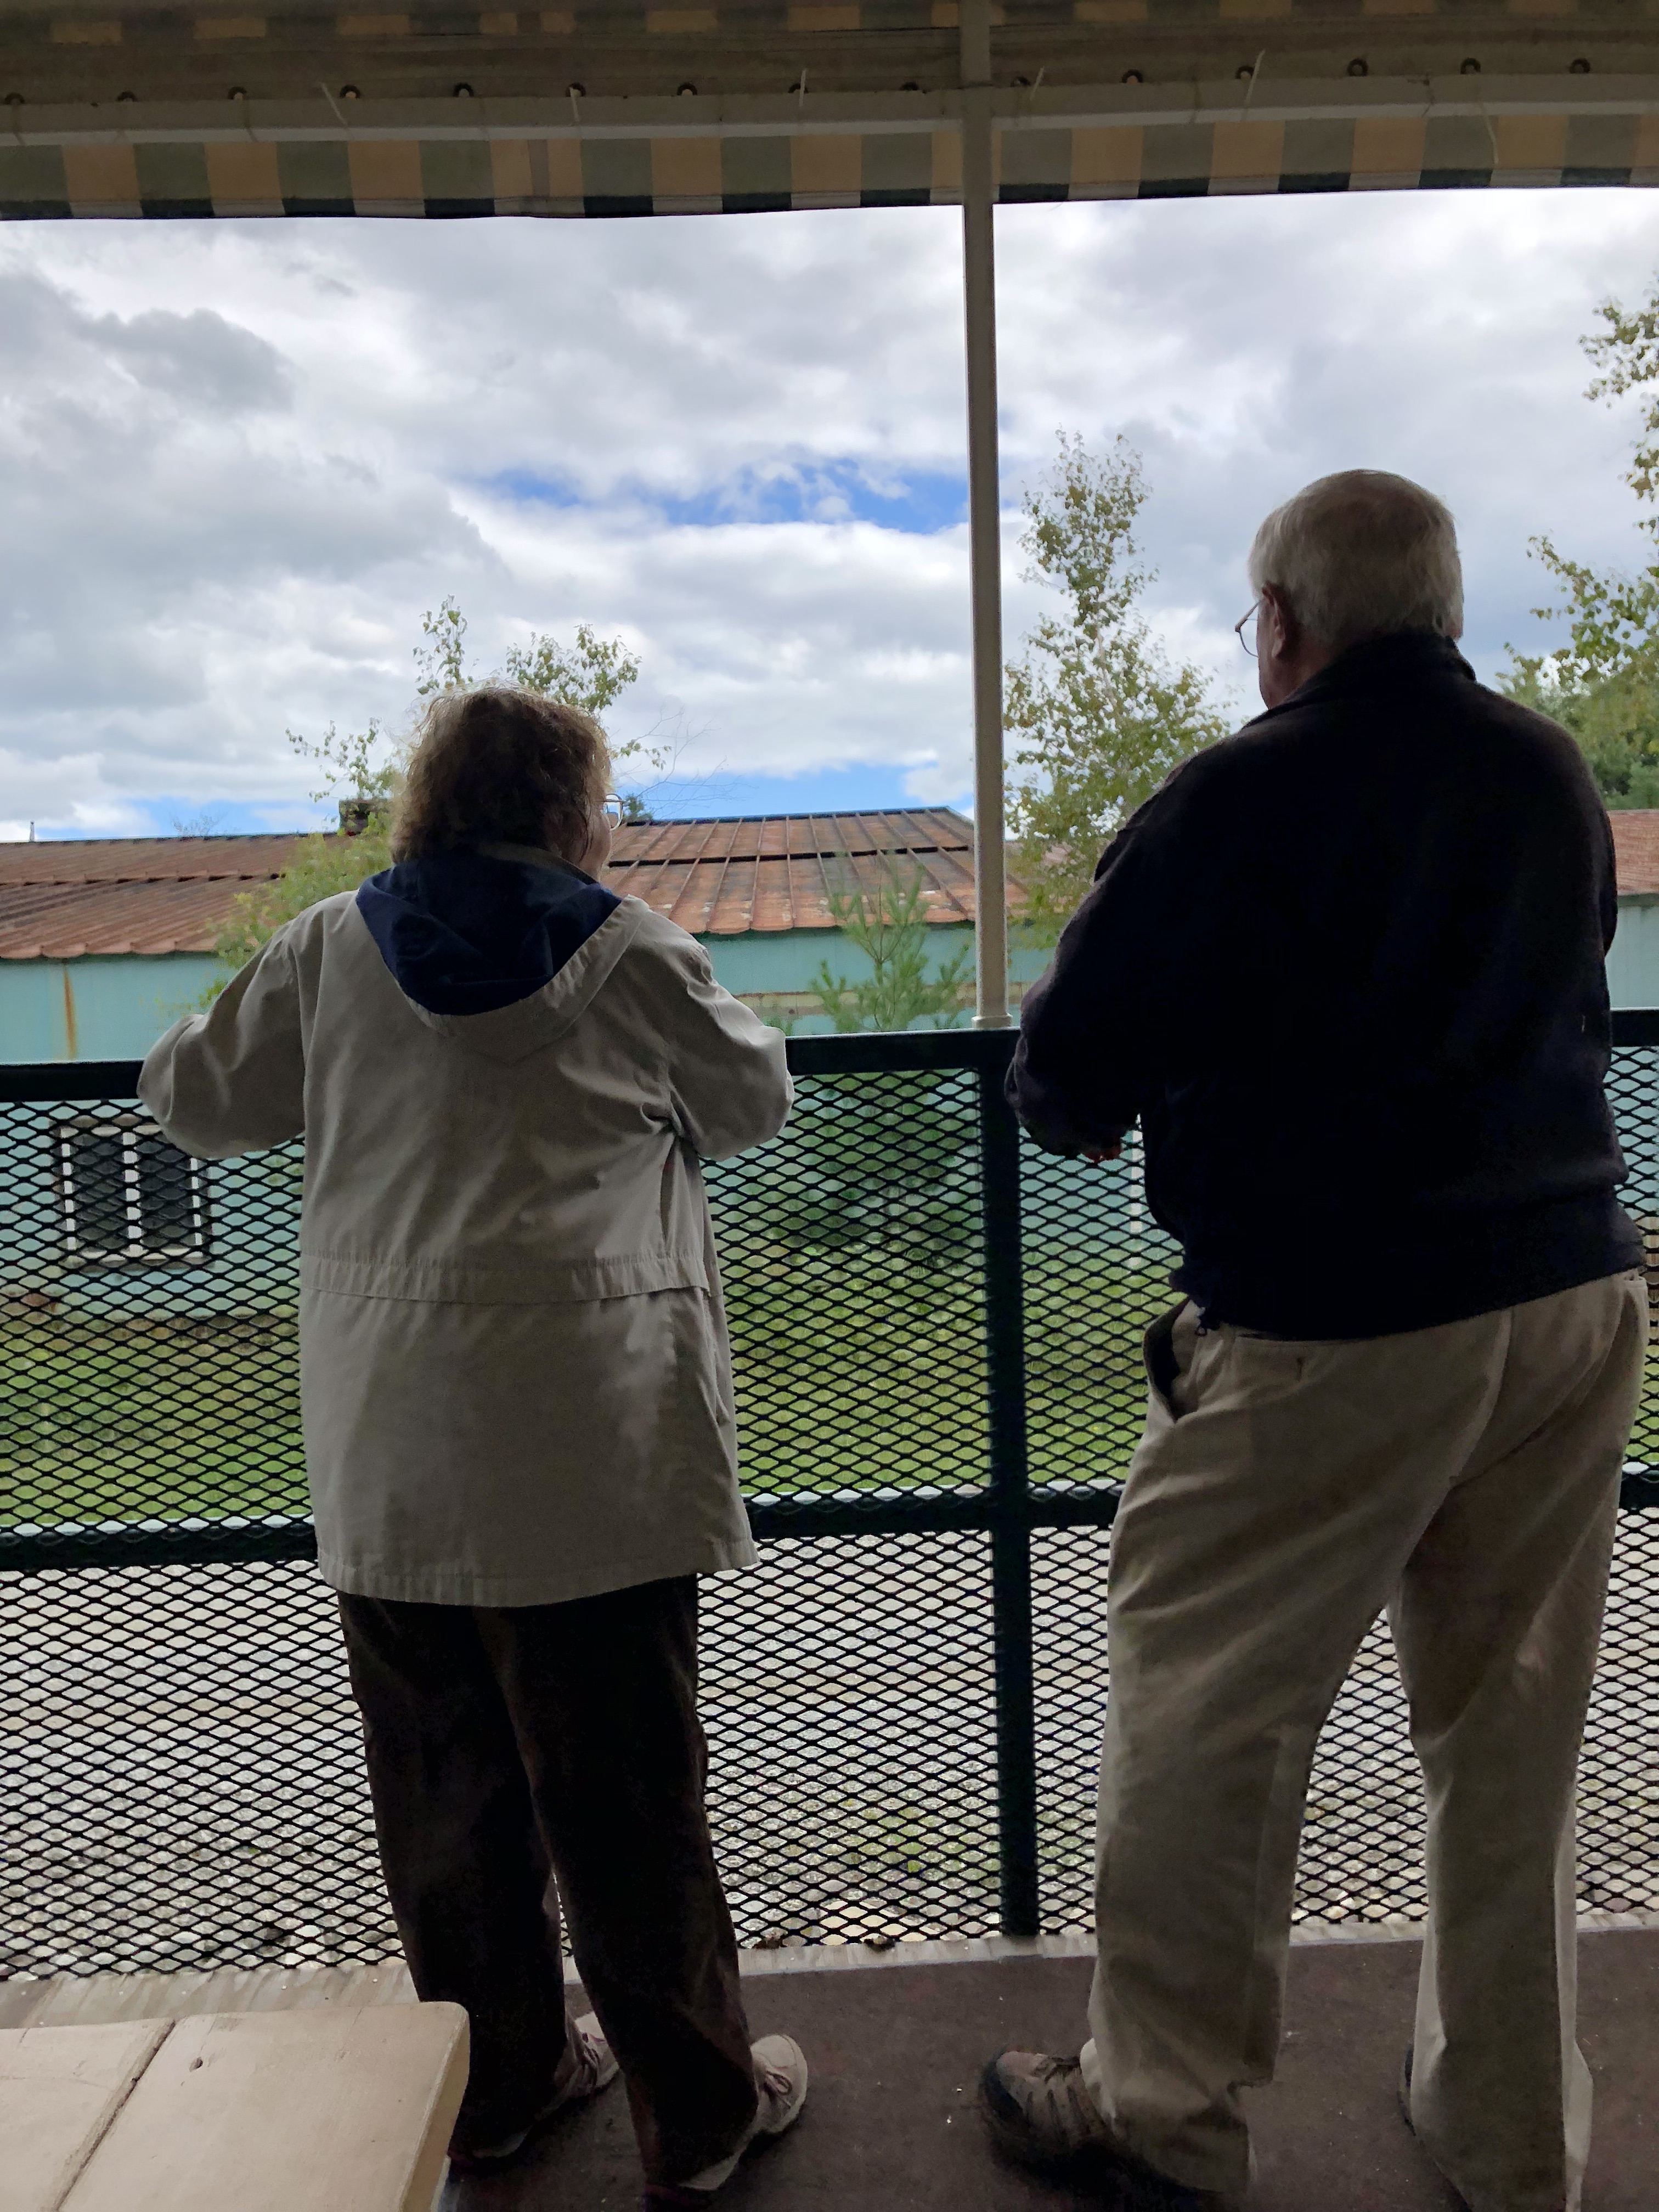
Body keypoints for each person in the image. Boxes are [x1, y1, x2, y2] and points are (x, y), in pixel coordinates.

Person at [982, 471, 1647, 2212]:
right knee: (1512, 1734)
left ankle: (1159, 2111)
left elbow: (1067, 1076)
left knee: (1204, 1717)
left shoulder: (1231, 798)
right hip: (1575, 1297)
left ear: (1284, 621)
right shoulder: (1550, 773)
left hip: (1336, 1326)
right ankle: (1512, 2142)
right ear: (1439, 607)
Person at [139, 686, 807, 2205]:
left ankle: (498, 2090)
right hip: (594, 1449)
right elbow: (753, 1100)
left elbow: (190, 1099)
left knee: (447, 1799)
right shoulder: (630, 950)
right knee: (628, 1801)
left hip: (397, 1450)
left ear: (429, 798)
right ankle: (699, 2118)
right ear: (576, 807)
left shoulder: (326, 951)